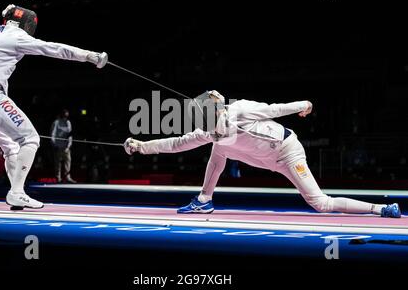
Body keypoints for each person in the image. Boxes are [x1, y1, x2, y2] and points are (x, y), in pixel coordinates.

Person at [124, 90, 401, 218]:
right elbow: (176, 143)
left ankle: (381, 209)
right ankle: (204, 199)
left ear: (218, 112)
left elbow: (274, 109)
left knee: (320, 204)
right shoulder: (209, 133)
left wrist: (304, 104)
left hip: (287, 152)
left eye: (208, 120)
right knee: (218, 148)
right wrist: (141, 146)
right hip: (260, 158)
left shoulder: (241, 110)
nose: (207, 128)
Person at [0, 4, 108, 210]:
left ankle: (17, 193)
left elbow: (6, 17)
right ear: (27, 24)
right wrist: (89, 55)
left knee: (11, 147)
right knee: (30, 139)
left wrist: (11, 11)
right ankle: (16, 192)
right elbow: (54, 49)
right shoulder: (17, 36)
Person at [51, 109, 76, 183]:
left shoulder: (68, 122)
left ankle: (67, 177)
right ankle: (58, 178)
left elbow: (70, 135)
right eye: (65, 115)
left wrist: (69, 146)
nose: (66, 117)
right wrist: (54, 145)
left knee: (68, 162)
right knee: (58, 163)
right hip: (58, 147)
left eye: (67, 116)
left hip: (66, 147)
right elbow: (53, 134)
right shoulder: (56, 122)